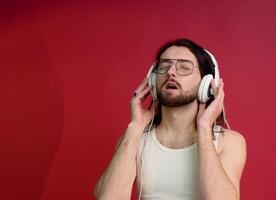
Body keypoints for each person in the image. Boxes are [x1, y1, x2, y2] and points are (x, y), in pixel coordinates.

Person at [94, 38, 246, 200]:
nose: (170, 72)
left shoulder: (229, 141)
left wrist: (204, 128)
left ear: (206, 84)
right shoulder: (135, 138)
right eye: (164, 66)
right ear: (152, 80)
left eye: (184, 67)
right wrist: (136, 126)